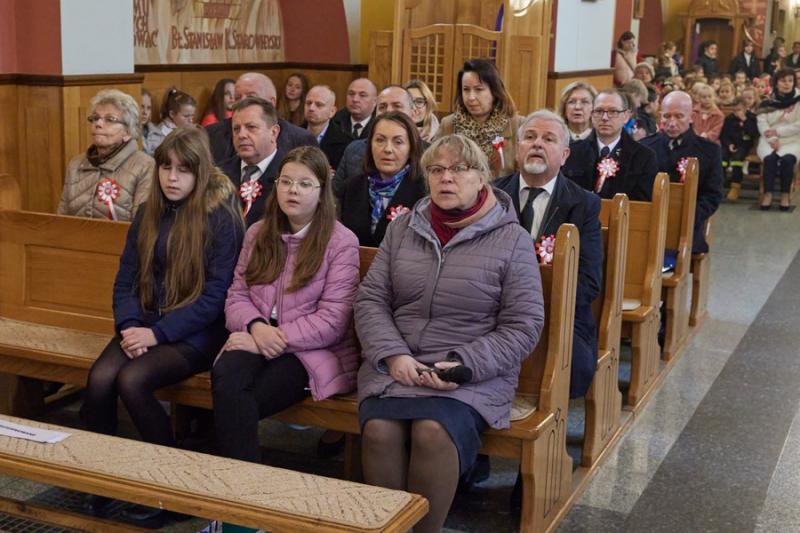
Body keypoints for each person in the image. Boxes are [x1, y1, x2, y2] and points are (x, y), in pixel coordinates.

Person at [356, 133, 545, 533]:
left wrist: (463, 364)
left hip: (471, 373)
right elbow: (371, 299)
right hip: (399, 364)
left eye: (459, 169)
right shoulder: (403, 227)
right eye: (437, 169)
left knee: (432, 431)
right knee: (379, 430)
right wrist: (393, 355)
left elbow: (524, 324)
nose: (446, 178)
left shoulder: (512, 239)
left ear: (482, 177)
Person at [80, 127, 244, 526]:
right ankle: (100, 481)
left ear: (200, 172)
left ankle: (174, 491)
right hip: (144, 323)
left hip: (196, 331)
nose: (172, 178)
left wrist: (158, 334)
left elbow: (216, 297)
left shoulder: (221, 218)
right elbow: (126, 279)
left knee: (132, 380)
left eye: (183, 170)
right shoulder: (148, 212)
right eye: (165, 167)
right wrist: (130, 325)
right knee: (99, 379)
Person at [213, 145, 359, 465]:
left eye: (305, 184)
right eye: (286, 181)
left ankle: (232, 486)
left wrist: (267, 340)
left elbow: (332, 321)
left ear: (322, 192)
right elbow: (237, 295)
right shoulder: (258, 233)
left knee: (242, 400)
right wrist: (256, 327)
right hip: (257, 333)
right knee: (226, 376)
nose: (293, 190)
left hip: (313, 351)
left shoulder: (341, 242)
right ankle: (239, 484)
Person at [641, 91, 723, 254]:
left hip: (688, 227)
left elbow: (712, 195)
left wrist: (685, 216)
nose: (672, 123)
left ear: (691, 117)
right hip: (648, 225)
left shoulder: (709, 151)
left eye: (679, 116)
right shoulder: (645, 148)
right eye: (667, 116)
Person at [58, 89, 154, 221]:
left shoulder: (145, 166)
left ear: (128, 132)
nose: (98, 124)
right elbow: (61, 218)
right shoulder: (76, 164)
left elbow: (142, 225)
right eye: (95, 118)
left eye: (110, 119)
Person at [340, 112, 427, 247]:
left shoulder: (424, 191)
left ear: (411, 148)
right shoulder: (353, 186)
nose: (387, 149)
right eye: (380, 140)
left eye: (398, 142)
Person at [562, 89, 658, 201]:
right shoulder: (573, 152)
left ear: (626, 116)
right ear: (591, 114)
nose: (605, 118)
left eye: (613, 112)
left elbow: (642, 204)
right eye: (599, 111)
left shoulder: (644, 157)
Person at [206, 72, 316, 165]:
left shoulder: (300, 139)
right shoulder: (211, 134)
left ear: (271, 102)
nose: (242, 102)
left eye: (251, 97)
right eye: (237, 97)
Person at [437, 59, 523, 178]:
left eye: (478, 89)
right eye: (466, 90)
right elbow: (435, 166)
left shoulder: (517, 125)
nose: (471, 97)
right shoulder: (448, 125)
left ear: (494, 91)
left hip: (502, 189)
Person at [332, 85, 418, 198]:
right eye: (382, 107)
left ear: (413, 114)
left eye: (397, 106)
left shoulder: (428, 156)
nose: (388, 112)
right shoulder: (354, 150)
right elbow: (335, 195)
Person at [218, 97, 284, 227]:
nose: (241, 135)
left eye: (251, 127)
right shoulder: (219, 174)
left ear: (274, 132)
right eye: (236, 129)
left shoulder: (288, 176)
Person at [756, 68, 800, 210]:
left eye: (790, 80)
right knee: (770, 159)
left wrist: (778, 131)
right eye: (783, 80)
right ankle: (768, 194)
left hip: (792, 139)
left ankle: (785, 194)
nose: (787, 84)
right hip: (769, 139)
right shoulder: (767, 100)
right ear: (776, 83)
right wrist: (772, 139)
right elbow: (762, 122)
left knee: (788, 160)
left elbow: (798, 125)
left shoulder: (798, 99)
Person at [304, 85, 350, 170]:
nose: (311, 108)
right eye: (308, 103)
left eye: (319, 105)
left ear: (332, 111)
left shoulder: (345, 142)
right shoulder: (292, 135)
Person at [721, 97, 758, 201]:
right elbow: (724, 134)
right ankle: (720, 183)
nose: (737, 112)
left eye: (739, 110)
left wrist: (745, 121)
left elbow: (753, 133)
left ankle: (735, 186)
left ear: (745, 108)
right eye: (735, 110)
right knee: (722, 158)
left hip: (744, 145)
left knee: (737, 159)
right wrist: (729, 144)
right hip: (731, 144)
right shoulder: (730, 119)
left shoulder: (751, 118)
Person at [144, 88, 197, 155]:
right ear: (172, 114)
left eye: (192, 116)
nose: (191, 120)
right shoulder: (162, 132)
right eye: (186, 116)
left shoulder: (187, 127)